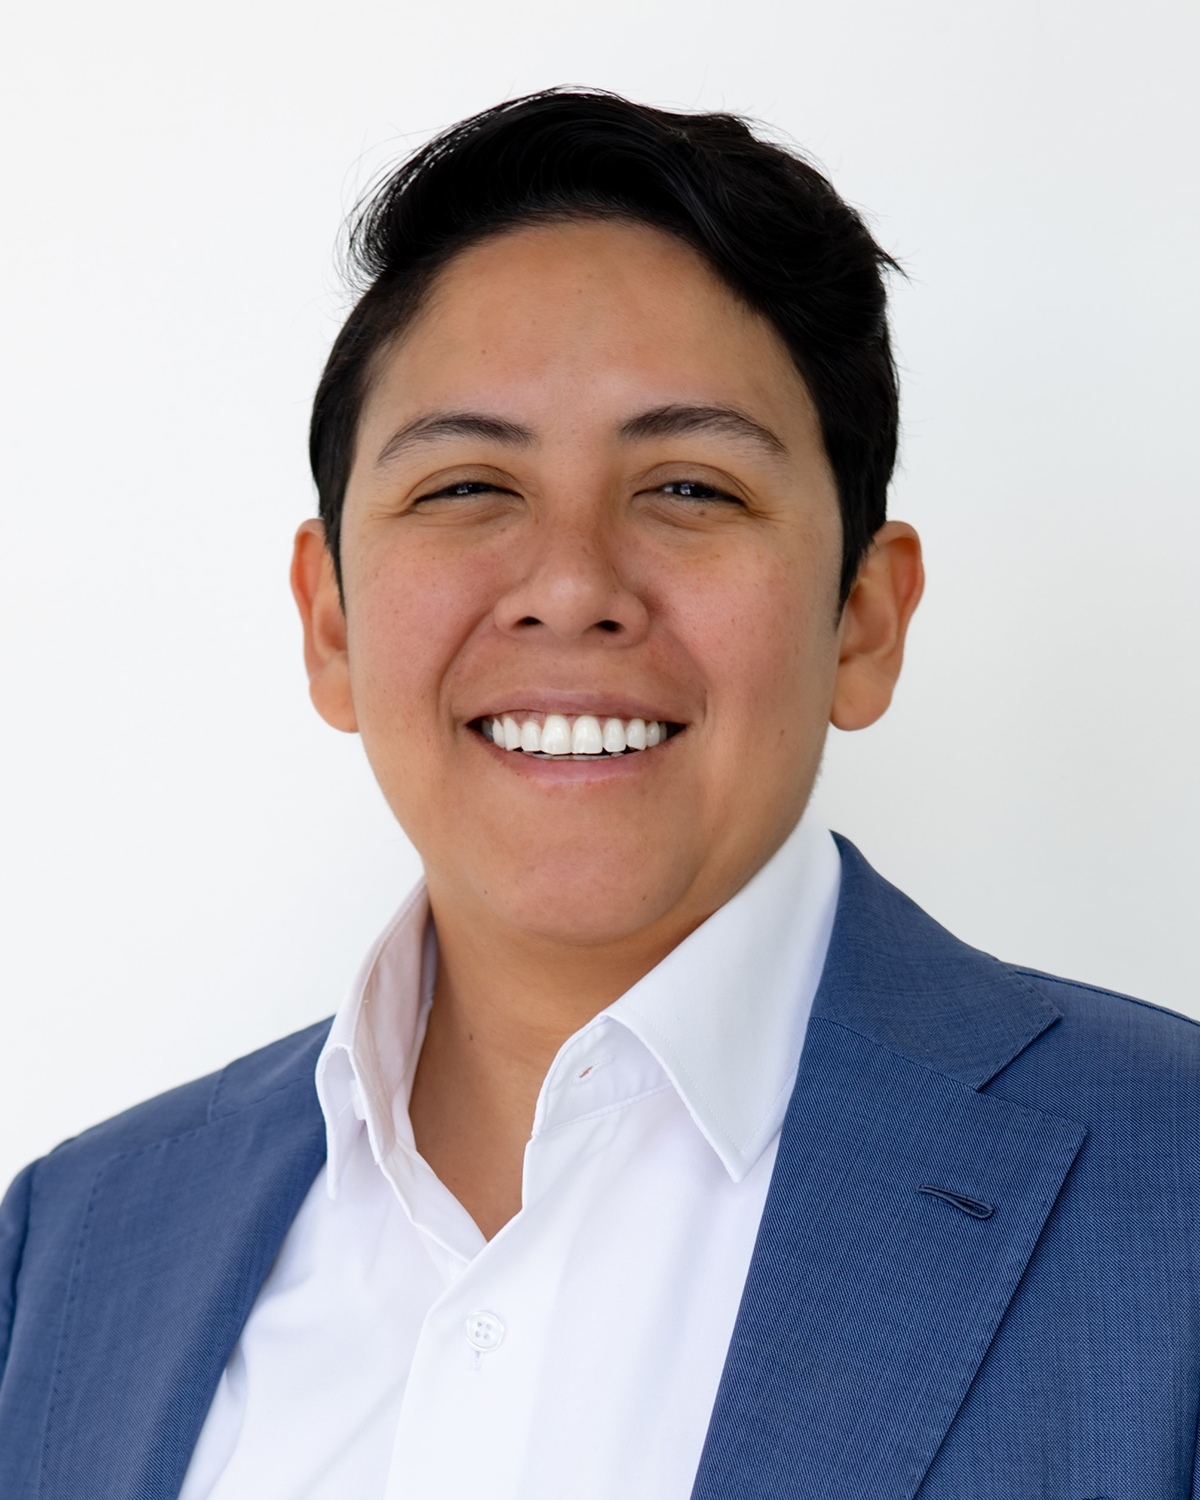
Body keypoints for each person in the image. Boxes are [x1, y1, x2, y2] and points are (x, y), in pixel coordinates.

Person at [1, 88, 1197, 1500]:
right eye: (466, 487)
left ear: (864, 621)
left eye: (691, 487)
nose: (571, 585)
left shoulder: (1169, 1194)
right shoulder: (72, 1247)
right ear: (330, 622)